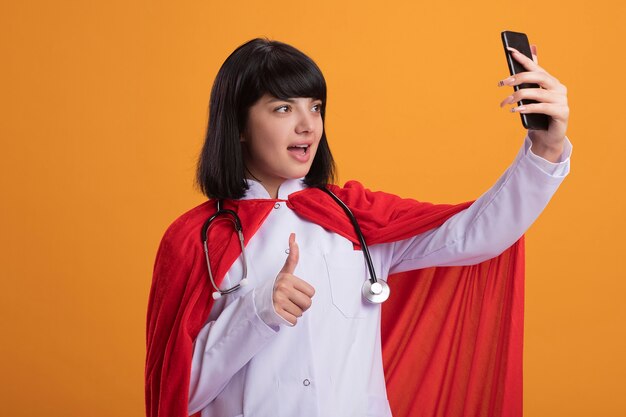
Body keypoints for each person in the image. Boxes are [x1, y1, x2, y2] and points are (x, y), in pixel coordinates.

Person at [145, 38, 571, 417]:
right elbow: (178, 395)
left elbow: (477, 234)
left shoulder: (355, 216)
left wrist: (545, 148)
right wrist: (256, 311)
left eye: (315, 107)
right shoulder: (192, 240)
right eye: (282, 108)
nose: (307, 124)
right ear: (238, 125)